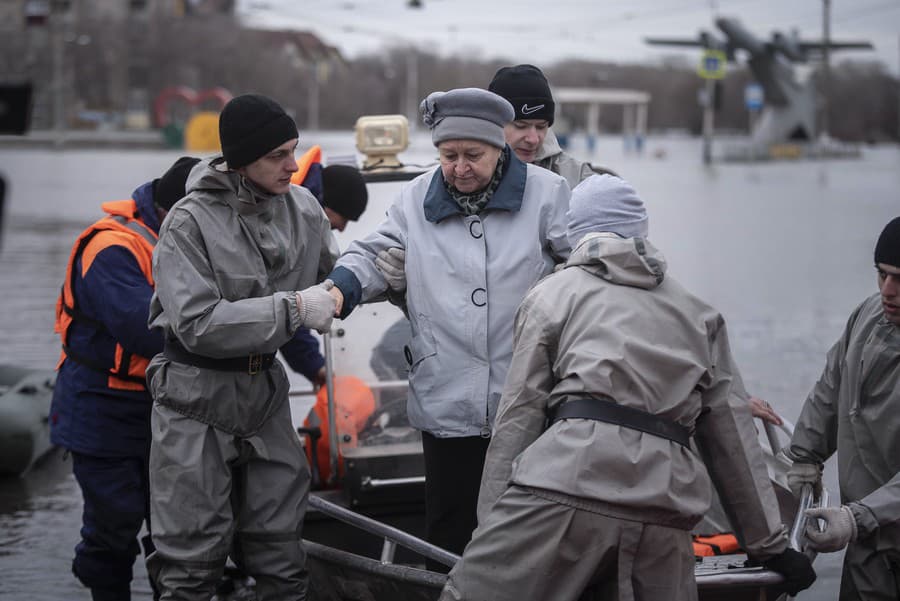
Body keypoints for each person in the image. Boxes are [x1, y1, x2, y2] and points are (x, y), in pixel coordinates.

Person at [440, 174, 816, 601]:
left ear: (576, 232)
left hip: (564, 489)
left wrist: (493, 527)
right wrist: (770, 546)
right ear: (641, 231)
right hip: (665, 511)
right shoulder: (699, 316)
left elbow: (518, 418)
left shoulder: (551, 296)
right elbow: (732, 440)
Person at [326, 87, 571, 564]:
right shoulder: (416, 196)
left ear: (499, 148)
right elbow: (372, 254)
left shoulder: (547, 195)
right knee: (449, 534)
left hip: (525, 401)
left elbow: (583, 264)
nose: (460, 167)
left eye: (473, 155)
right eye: (448, 155)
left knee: (526, 534)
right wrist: (337, 290)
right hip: (447, 401)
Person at [145, 93, 340, 600]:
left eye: (294, 150)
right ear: (240, 159)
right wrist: (295, 309)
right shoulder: (187, 223)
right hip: (194, 396)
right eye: (278, 155)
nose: (293, 165)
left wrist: (383, 274)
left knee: (283, 553)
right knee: (191, 562)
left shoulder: (303, 208)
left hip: (265, 393)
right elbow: (198, 323)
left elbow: (337, 277)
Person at [50, 156, 199, 601]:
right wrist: (226, 332)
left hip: (165, 409)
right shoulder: (111, 247)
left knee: (176, 530)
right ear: (173, 211)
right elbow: (141, 329)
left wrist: (316, 368)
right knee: (113, 527)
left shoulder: (192, 242)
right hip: (101, 411)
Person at [786, 215, 900, 600]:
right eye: (882, 275)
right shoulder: (867, 317)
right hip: (867, 545)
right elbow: (831, 390)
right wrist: (804, 457)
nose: (888, 290)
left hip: (869, 522)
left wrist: (855, 518)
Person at [282, 152, 370, 388]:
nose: (341, 229)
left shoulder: (291, 209)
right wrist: (316, 366)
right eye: (342, 218)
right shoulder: (292, 222)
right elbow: (289, 304)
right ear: (324, 204)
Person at [488, 63, 611, 188]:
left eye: (541, 127)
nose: (533, 139)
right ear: (493, 123)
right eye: (521, 126)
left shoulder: (578, 180)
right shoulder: (470, 173)